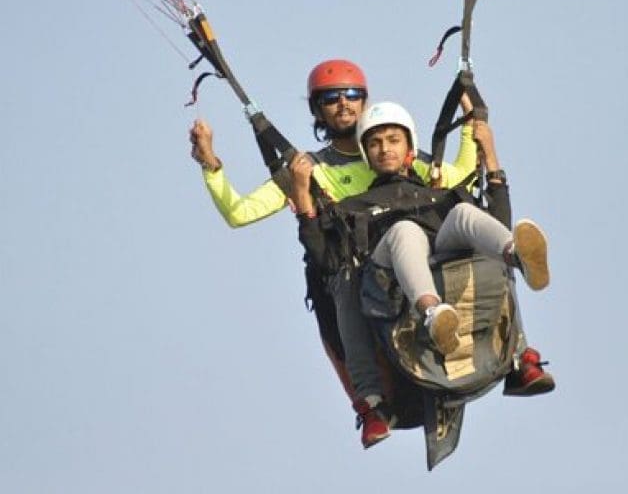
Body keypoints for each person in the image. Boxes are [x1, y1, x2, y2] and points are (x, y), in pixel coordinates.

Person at [189, 59, 478, 423]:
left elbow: (460, 180)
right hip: (351, 279)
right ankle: (372, 399)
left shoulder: (393, 151)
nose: (343, 104)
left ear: (364, 101)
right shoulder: (307, 171)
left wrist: (472, 123)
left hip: (411, 262)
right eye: (331, 98)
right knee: (342, 288)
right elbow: (238, 213)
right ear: (317, 110)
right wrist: (211, 165)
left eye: (352, 95)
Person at [294, 101, 555, 449]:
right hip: (388, 279)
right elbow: (326, 260)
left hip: (443, 258)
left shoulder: (438, 194)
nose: (384, 148)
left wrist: (490, 155)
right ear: (365, 153)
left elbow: (496, 221)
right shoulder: (355, 206)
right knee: (404, 232)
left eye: (392, 140)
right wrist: (301, 195)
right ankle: (432, 314)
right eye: (375, 143)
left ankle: (518, 258)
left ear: (409, 147)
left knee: (464, 211)